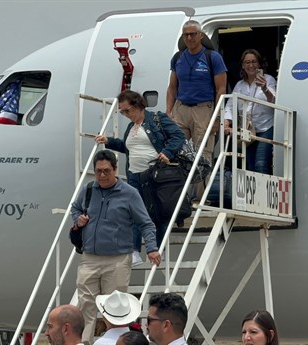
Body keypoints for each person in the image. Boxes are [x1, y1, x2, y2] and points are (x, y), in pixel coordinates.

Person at [71, 149, 161, 343]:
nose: (102, 176)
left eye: (106, 171)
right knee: (85, 304)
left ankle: (114, 342)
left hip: (118, 260)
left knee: (115, 308)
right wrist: (77, 220)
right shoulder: (88, 189)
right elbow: (75, 208)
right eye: (98, 171)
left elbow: (145, 222)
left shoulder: (129, 193)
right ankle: (84, 342)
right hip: (89, 258)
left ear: (115, 169)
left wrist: (152, 248)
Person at [96, 90, 185, 265]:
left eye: (127, 111)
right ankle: (135, 250)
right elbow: (127, 147)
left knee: (155, 212)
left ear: (138, 105)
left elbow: (178, 136)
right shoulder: (131, 127)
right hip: (134, 175)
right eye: (122, 112)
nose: (125, 115)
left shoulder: (156, 119)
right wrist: (108, 141)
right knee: (133, 212)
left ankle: (158, 249)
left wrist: (167, 153)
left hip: (153, 174)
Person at [166, 20, 227, 197]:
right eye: (186, 35)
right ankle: (180, 198)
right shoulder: (178, 58)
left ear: (200, 35)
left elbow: (221, 89)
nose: (190, 37)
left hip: (203, 109)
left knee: (203, 155)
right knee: (178, 151)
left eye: (193, 34)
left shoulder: (212, 57)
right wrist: (169, 112)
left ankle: (201, 198)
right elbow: (172, 87)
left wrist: (217, 118)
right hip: (181, 108)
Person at [223, 49, 277, 175]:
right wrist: (226, 124)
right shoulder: (239, 85)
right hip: (247, 129)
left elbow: (274, 101)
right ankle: (253, 194)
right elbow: (230, 105)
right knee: (250, 165)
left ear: (259, 64)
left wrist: (264, 88)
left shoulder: (268, 79)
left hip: (265, 127)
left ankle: (262, 194)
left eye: (254, 62)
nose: (251, 65)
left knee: (261, 164)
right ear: (243, 65)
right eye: (247, 62)